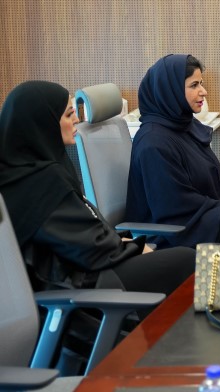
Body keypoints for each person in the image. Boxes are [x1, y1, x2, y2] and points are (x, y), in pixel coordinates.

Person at [0, 81, 195, 294]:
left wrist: (125, 243)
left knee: (184, 260)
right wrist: (134, 246)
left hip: (92, 265)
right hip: (86, 282)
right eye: (69, 114)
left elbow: (82, 233)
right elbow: (86, 248)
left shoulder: (31, 171)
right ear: (43, 123)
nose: (77, 119)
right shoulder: (40, 183)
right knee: (188, 260)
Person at [126, 54, 220, 249]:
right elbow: (173, 205)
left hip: (197, 215)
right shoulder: (153, 142)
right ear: (170, 90)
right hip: (174, 231)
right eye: (194, 85)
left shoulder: (184, 126)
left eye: (201, 83)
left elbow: (209, 177)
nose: (204, 92)